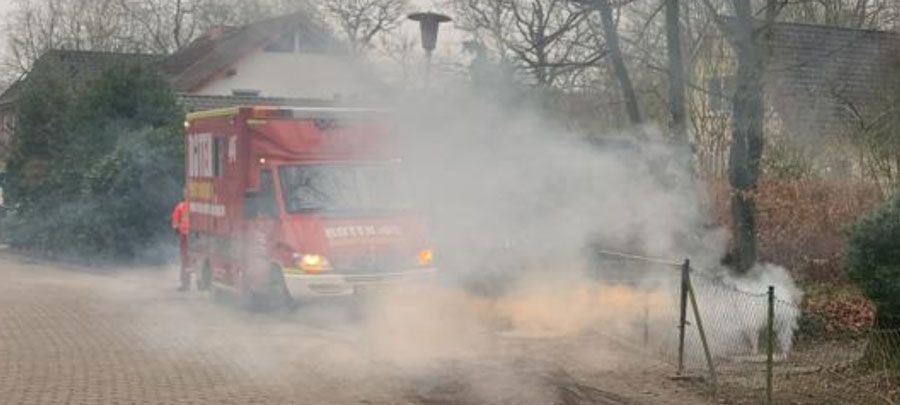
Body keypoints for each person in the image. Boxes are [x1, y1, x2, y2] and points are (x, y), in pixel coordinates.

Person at [171, 198, 190, 291]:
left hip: (184, 235)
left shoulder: (181, 206)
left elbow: (175, 222)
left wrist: (177, 229)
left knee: (185, 260)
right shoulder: (196, 205)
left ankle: (185, 283)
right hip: (195, 235)